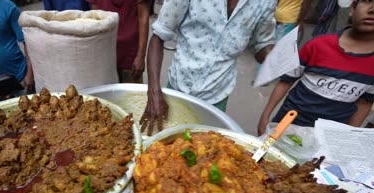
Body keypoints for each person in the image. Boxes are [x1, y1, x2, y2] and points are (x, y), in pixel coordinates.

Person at [140, 0, 277, 135]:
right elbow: (159, 35)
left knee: (204, 151)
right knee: (160, 147)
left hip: (217, 97)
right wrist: (153, 91)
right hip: (178, 88)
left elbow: (261, 45)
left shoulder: (265, 2)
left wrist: (275, 56)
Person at [258, 0, 374, 135]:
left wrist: (349, 135)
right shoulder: (318, 45)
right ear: (353, 8)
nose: (372, 9)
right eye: (367, 1)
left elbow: (365, 103)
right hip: (287, 125)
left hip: (327, 136)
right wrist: (265, 116)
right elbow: (286, 81)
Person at [89, 0, 150, 83]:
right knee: (104, 93)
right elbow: (94, 15)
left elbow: (143, 17)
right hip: (104, 50)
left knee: (131, 93)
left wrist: (141, 56)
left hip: (129, 53)